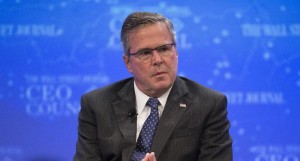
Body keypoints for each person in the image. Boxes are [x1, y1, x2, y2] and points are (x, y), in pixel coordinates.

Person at [74, 11, 232, 161]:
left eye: (164, 49)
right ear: (128, 63)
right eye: (145, 53)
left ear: (176, 52)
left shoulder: (209, 105)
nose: (157, 60)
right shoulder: (97, 105)